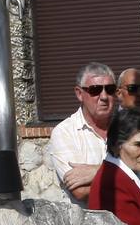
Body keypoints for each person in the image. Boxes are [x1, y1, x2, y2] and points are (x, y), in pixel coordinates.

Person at [46, 63, 116, 205]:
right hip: (92, 224)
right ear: (79, 94)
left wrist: (96, 171)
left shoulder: (127, 125)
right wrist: (130, 180)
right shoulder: (65, 132)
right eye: (95, 90)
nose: (104, 96)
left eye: (110, 89)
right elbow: (80, 191)